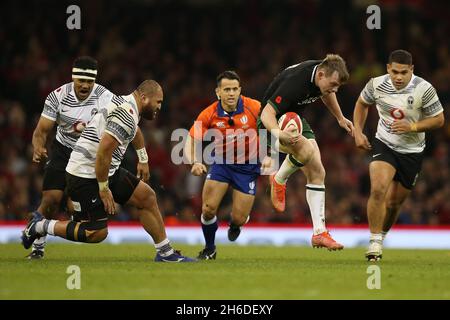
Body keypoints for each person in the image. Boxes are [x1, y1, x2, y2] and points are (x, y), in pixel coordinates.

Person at [21, 80, 196, 262]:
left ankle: (165, 253)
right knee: (95, 232)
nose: (159, 107)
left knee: (147, 197)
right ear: (144, 98)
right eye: (158, 102)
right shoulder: (126, 113)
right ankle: (40, 226)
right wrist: (104, 189)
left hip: (104, 170)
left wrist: (143, 158)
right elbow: (103, 152)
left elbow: (134, 132)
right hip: (84, 174)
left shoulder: (126, 104)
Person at [27, 56, 149, 259]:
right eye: (80, 81)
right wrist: (38, 147)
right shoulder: (57, 97)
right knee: (51, 199)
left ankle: (50, 223)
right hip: (63, 150)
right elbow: (41, 131)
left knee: (84, 216)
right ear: (73, 79)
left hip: (90, 156)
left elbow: (132, 126)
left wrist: (142, 157)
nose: (84, 85)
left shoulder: (106, 97)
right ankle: (37, 247)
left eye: (89, 82)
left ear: (95, 81)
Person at [353, 49, 445, 261]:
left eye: (404, 72)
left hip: (412, 151)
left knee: (394, 203)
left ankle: (382, 235)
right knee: (378, 189)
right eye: (395, 72)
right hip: (384, 143)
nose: (398, 77)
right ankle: (374, 242)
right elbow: (361, 104)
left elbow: (439, 120)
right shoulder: (376, 84)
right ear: (388, 68)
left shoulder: (424, 89)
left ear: (411, 70)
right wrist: (358, 132)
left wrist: (412, 126)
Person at [258, 54, 354, 250]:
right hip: (270, 124)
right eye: (333, 84)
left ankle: (320, 233)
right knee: (307, 151)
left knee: (318, 172)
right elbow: (266, 113)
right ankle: (279, 178)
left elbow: (327, 93)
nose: (335, 89)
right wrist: (278, 133)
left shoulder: (322, 76)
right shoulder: (295, 82)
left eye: (338, 86)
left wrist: (340, 118)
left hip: (295, 120)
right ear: (320, 75)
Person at [185, 71, 261, 260]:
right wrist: (194, 161)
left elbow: (273, 125)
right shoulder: (208, 113)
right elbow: (191, 139)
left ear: (240, 90)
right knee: (208, 208)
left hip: (248, 166)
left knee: (238, 218)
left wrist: (271, 153)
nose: (231, 93)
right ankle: (210, 248)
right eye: (226, 89)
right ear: (218, 92)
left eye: (235, 89)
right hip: (222, 163)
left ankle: (236, 224)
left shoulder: (254, 107)